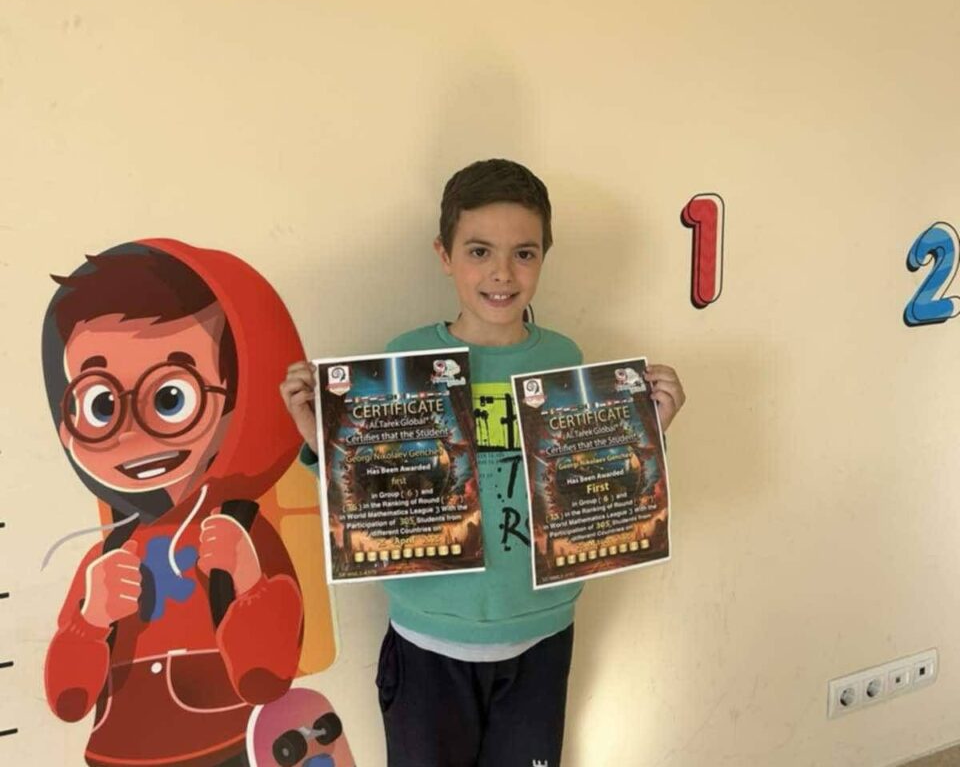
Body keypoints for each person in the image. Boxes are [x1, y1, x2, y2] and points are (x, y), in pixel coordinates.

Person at [280, 159, 685, 767]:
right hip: (427, 641)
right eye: (479, 251)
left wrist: (650, 431)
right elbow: (375, 499)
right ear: (444, 255)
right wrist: (318, 439)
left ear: (544, 256)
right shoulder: (404, 358)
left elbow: (593, 490)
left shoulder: (564, 358)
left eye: (524, 253)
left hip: (541, 635)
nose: (502, 273)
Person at [43, 240, 305, 767]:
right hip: (116, 756)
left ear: (239, 399)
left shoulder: (242, 533)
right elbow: (68, 699)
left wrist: (249, 581)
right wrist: (90, 620)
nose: (131, 433)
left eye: (170, 398)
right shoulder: (106, 556)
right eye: (100, 405)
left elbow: (268, 676)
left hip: (228, 750)